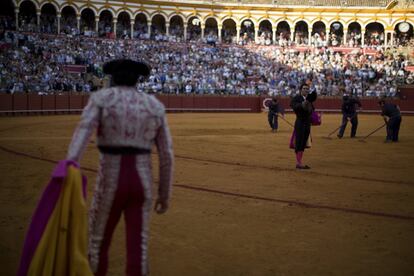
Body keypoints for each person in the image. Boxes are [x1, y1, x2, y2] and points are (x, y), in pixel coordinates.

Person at [66, 59, 174, 276]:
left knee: (97, 244)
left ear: (112, 78)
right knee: (139, 247)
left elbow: (82, 136)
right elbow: (166, 155)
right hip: (141, 183)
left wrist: (68, 168)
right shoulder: (153, 105)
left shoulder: (102, 99)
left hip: (110, 181)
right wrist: (164, 194)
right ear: (138, 80)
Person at [290, 83, 315, 169]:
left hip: (307, 123)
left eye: (307, 89)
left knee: (303, 142)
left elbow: (312, 110)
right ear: (301, 90)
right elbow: (294, 106)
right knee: (299, 142)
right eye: (304, 88)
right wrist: (302, 105)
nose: (306, 90)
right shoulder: (297, 98)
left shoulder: (309, 100)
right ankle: (298, 162)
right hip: (300, 122)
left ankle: (299, 161)